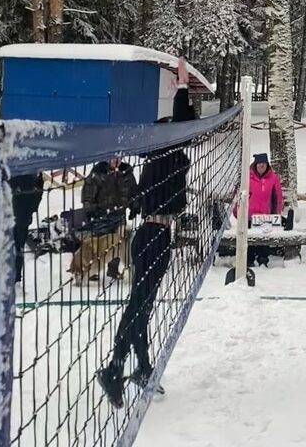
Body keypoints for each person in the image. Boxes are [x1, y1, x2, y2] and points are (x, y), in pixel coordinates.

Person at [97, 57, 195, 408]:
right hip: (152, 237)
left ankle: (142, 367)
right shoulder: (161, 150)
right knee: (138, 306)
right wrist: (180, 87)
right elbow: (185, 123)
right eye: (170, 126)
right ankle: (115, 367)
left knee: (144, 306)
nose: (178, 129)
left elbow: (185, 125)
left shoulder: (161, 155)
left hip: (155, 236)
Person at [69, 156, 138, 285]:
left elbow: (134, 192)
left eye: (118, 158)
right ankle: (91, 270)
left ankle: (112, 269)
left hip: (118, 215)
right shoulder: (97, 174)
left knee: (118, 244)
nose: (115, 161)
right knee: (98, 246)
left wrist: (135, 205)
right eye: (113, 158)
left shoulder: (127, 174)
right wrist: (91, 209)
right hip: (100, 216)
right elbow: (87, 196)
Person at [234, 152, 284, 267]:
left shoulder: (273, 178)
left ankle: (263, 260)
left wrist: (276, 215)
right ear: (255, 164)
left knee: (264, 239)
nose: (261, 166)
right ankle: (248, 260)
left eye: (264, 164)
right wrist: (237, 213)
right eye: (259, 163)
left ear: (267, 165)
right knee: (248, 240)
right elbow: (237, 196)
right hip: (248, 215)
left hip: (265, 216)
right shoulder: (246, 177)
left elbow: (278, 197)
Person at [8, 172, 44, 284]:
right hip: (18, 214)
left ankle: (15, 278)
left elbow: (37, 193)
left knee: (15, 247)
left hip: (19, 215)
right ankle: (14, 278)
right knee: (16, 247)